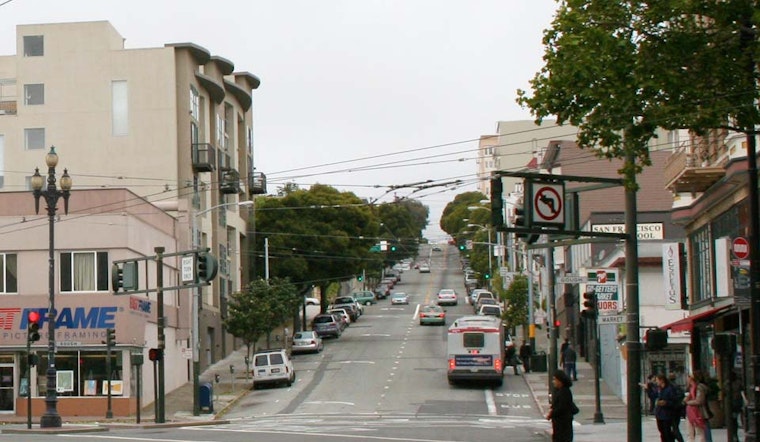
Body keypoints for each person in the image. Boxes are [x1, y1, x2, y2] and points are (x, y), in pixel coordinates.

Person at [546, 370, 576, 442]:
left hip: (563, 423)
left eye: (555, 379)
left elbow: (561, 407)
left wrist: (551, 414)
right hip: (559, 423)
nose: (553, 382)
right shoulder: (559, 390)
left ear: (560, 381)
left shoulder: (564, 392)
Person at [684, 371, 711, 442]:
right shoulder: (691, 388)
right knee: (691, 433)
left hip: (697, 412)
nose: (687, 379)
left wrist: (688, 402)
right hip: (691, 412)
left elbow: (699, 400)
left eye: (689, 377)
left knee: (700, 432)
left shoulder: (699, 387)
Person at [655, 373, 679, 442]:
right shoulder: (659, 389)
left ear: (662, 380)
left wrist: (666, 403)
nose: (656, 382)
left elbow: (674, 401)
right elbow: (654, 396)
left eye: (657, 380)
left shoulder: (670, 389)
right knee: (662, 432)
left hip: (667, 414)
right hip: (659, 413)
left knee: (667, 432)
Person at [669, 373, 686, 442]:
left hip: (673, 409)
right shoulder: (677, 386)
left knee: (674, 427)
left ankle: (680, 440)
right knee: (675, 427)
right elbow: (682, 395)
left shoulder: (670, 387)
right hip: (678, 409)